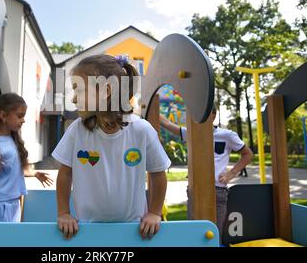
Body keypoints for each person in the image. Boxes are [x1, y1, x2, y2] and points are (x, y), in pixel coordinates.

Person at [52, 54, 171, 240]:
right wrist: (63, 213)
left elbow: (158, 174)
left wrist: (155, 212)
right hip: (86, 230)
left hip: (134, 231)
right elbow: (65, 173)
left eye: (79, 90)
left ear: (107, 90)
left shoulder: (141, 130)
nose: (74, 99)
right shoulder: (77, 130)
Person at [159, 105, 253, 235]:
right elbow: (167, 123)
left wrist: (231, 173)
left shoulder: (226, 135)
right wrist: (146, 107)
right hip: (195, 189)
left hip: (217, 189)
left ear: (213, 116)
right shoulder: (191, 133)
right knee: (194, 233)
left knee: (215, 232)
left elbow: (248, 154)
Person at [0, 93, 53, 222]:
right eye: (19, 116)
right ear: (3, 116)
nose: (23, 120)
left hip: (15, 203)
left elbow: (12, 168)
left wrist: (34, 173)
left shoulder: (14, 141)